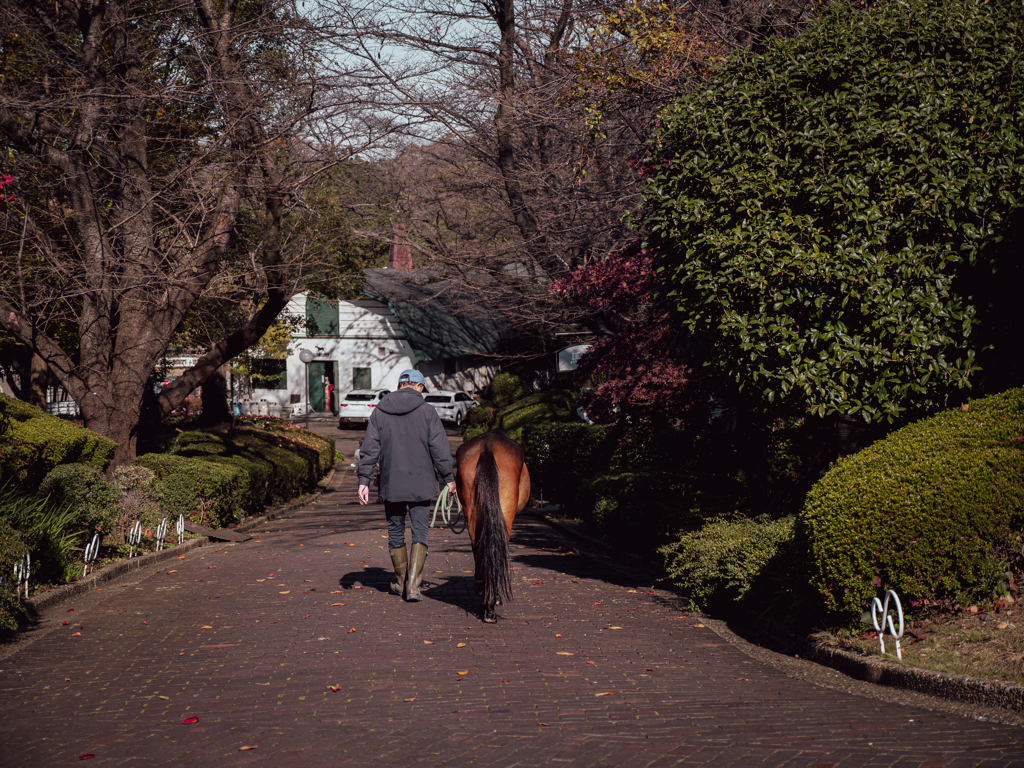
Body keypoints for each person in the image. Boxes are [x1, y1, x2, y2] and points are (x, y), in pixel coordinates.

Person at [357, 369, 455, 601]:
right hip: (421, 481)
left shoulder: (380, 411)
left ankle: (401, 582)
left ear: (400, 385)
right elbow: (440, 449)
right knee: (420, 531)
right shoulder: (428, 411)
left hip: (392, 482)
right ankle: (413, 587)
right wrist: (448, 478)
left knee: (395, 530)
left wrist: (364, 481)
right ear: (419, 387)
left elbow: (369, 450)